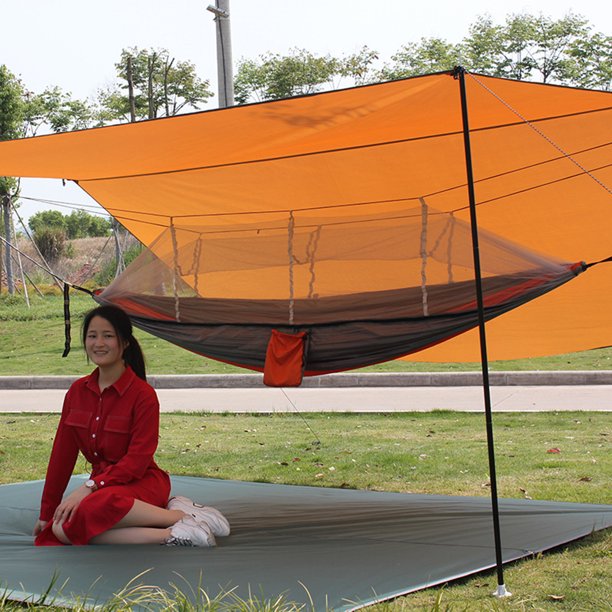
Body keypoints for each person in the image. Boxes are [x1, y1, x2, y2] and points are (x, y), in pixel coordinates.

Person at [33, 305, 230, 547]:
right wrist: (47, 512)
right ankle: (176, 530)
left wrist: (90, 486)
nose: (98, 343)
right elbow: (62, 455)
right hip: (105, 489)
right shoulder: (77, 392)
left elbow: (137, 460)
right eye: (92, 336)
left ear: (125, 342)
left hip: (142, 483)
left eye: (108, 336)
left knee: (86, 512)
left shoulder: (143, 395)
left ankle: (181, 519)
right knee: (61, 528)